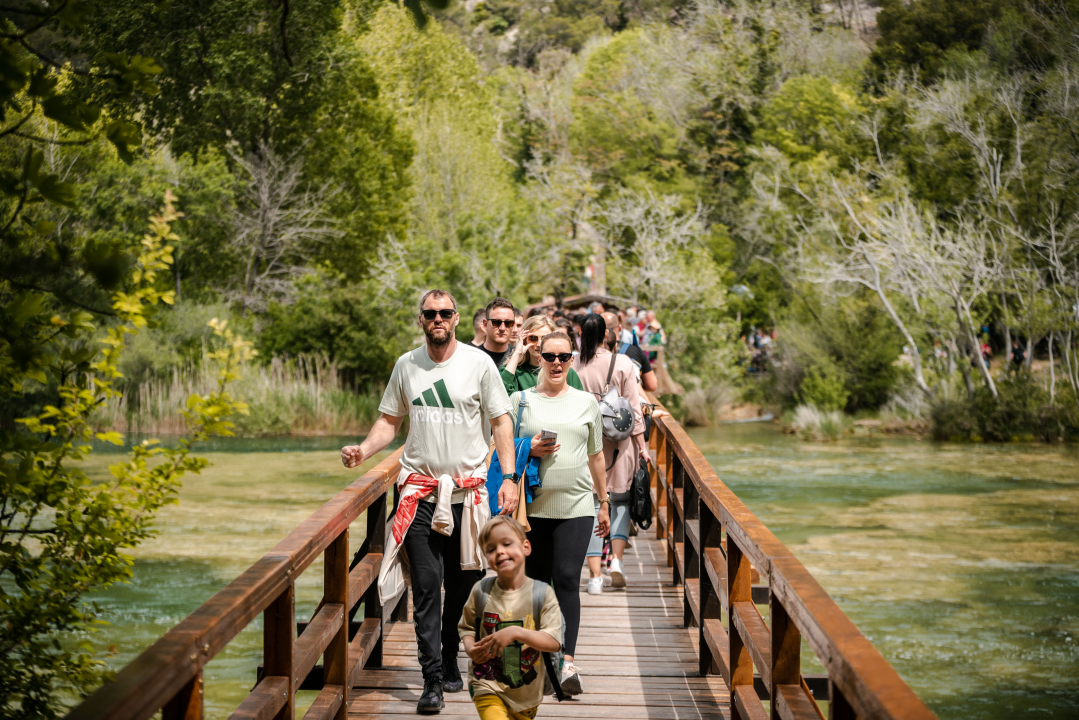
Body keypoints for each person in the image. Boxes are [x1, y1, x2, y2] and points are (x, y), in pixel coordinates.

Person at [341, 289, 518, 714]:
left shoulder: (478, 365)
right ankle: (432, 679)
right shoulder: (407, 365)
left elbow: (501, 422)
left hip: (468, 495)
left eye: (444, 313)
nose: (437, 319)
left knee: (462, 586)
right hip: (418, 491)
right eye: (429, 313)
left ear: (457, 319)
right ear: (421, 320)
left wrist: (509, 477)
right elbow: (390, 420)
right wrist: (364, 450)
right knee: (425, 587)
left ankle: (451, 647)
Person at [510, 330, 608, 696]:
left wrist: (604, 502)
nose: (556, 363)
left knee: (567, 578)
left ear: (572, 360)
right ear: (539, 357)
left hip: (577, 506)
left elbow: (596, 456)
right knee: (534, 586)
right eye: (549, 356)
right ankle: (536, 657)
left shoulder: (586, 402)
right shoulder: (521, 400)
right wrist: (528, 448)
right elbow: (497, 445)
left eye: (563, 357)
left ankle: (566, 661)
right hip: (529, 508)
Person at [459, 517, 562, 720]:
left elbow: (554, 642)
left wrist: (516, 632)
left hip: (526, 693)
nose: (499, 551)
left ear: (526, 547)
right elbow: (467, 627)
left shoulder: (542, 594)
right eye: (490, 549)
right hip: (486, 684)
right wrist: (470, 648)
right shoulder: (481, 591)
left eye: (506, 543)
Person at [573, 314, 647, 594]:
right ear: (606, 335)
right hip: (620, 443)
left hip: (585, 442)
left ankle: (593, 578)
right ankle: (616, 561)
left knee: (592, 505)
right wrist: (643, 447)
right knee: (619, 501)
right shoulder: (623, 363)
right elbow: (634, 408)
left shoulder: (572, 362)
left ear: (581, 335)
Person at [501, 315, 585, 394]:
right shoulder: (512, 370)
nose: (539, 344)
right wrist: (517, 354)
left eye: (545, 338)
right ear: (524, 339)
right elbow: (501, 395)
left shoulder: (565, 371)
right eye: (533, 338)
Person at [606, 312, 657, 394]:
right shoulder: (635, 351)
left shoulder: (592, 352)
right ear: (619, 328)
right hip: (629, 401)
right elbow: (652, 385)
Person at [481, 297, 517, 369]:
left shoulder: (520, 358)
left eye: (508, 323)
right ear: (485, 324)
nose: (502, 328)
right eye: (496, 322)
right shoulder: (473, 357)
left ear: (513, 325)